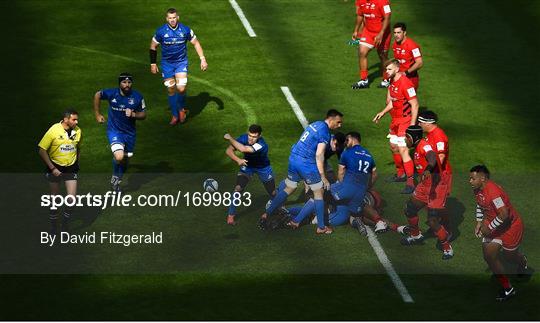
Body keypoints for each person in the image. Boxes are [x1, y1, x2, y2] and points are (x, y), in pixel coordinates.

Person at [262, 109, 344, 234]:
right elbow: (319, 155)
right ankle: (321, 227)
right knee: (319, 192)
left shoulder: (315, 124)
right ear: (331, 119)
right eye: (338, 122)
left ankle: (267, 213)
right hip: (306, 162)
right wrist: (323, 176)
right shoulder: (325, 132)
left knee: (289, 187)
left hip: (294, 157)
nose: (339, 125)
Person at [287, 132, 376, 234]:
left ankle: (293, 217)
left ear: (352, 139)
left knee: (319, 196)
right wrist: (367, 187)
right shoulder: (368, 155)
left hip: (345, 189)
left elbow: (341, 172)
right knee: (346, 216)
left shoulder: (348, 152)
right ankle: (302, 218)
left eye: (347, 140)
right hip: (358, 193)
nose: (345, 142)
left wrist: (340, 184)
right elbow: (374, 175)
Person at [469, 165, 530, 301]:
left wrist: (489, 227)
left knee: (510, 257)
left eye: (473, 178)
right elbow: (480, 204)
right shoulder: (478, 189)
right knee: (489, 256)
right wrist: (479, 222)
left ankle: (522, 261)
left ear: (482, 178)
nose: (470, 181)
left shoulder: (494, 192)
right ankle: (508, 288)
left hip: (510, 227)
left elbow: (504, 214)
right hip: (493, 223)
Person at [397, 125, 453, 260]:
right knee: (410, 208)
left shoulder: (424, 146)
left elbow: (432, 156)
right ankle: (416, 235)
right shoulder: (417, 147)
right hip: (425, 184)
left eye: (407, 137)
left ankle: (447, 248)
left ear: (413, 138)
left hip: (437, 185)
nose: (405, 140)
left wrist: (428, 169)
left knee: (433, 220)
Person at [150, 7, 208, 125]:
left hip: (181, 63)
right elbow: (153, 46)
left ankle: (181, 109)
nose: (172, 20)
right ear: (167, 19)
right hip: (167, 64)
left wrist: (203, 59)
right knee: (171, 89)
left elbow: (196, 43)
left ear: (178, 18)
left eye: (174, 18)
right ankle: (175, 115)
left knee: (181, 88)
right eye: (170, 18)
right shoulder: (161, 31)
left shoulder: (185, 30)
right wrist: (153, 63)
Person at [93, 73, 147, 192]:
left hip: (129, 133)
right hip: (114, 131)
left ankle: (116, 181)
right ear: (119, 83)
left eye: (129, 82)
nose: (127, 85)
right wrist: (97, 114)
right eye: (124, 82)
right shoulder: (112, 93)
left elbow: (143, 114)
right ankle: (116, 168)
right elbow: (97, 94)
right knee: (119, 156)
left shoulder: (138, 97)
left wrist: (133, 114)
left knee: (125, 161)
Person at [372, 59, 418, 193]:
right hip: (395, 120)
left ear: (397, 69)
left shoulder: (406, 83)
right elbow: (393, 102)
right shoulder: (392, 82)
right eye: (386, 69)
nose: (386, 72)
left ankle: (410, 183)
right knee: (393, 146)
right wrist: (382, 112)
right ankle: (400, 174)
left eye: (389, 69)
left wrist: (412, 125)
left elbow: (415, 104)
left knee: (403, 150)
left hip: (405, 120)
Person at [38, 109, 82, 234]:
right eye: (74, 119)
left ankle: (65, 223)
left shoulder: (78, 131)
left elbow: (78, 148)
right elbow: (41, 150)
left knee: (72, 199)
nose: (76, 122)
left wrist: (77, 163)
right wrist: (52, 168)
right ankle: (53, 227)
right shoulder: (54, 130)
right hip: (55, 167)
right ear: (66, 119)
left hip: (71, 168)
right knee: (55, 199)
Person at [224, 125, 275, 225]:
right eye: (250, 135)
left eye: (254, 137)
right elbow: (228, 151)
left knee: (273, 193)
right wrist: (238, 160)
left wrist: (230, 138)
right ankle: (231, 215)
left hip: (263, 168)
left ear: (259, 136)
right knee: (238, 188)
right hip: (248, 166)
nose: (251, 138)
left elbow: (243, 149)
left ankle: (279, 207)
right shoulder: (243, 138)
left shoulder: (262, 145)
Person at [351, 0, 392, 89]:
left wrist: (381, 33)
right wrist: (356, 30)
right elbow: (360, 15)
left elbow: (387, 17)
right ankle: (364, 80)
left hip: (383, 34)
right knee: (362, 52)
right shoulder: (361, 1)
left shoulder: (382, 1)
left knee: (383, 56)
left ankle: (386, 79)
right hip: (368, 32)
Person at [391, 22, 423, 90]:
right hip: (398, 78)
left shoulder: (412, 46)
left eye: (399, 32)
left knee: (410, 100)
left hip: (410, 79)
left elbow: (419, 63)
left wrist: (406, 73)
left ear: (404, 33)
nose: (396, 35)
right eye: (395, 33)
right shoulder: (395, 45)